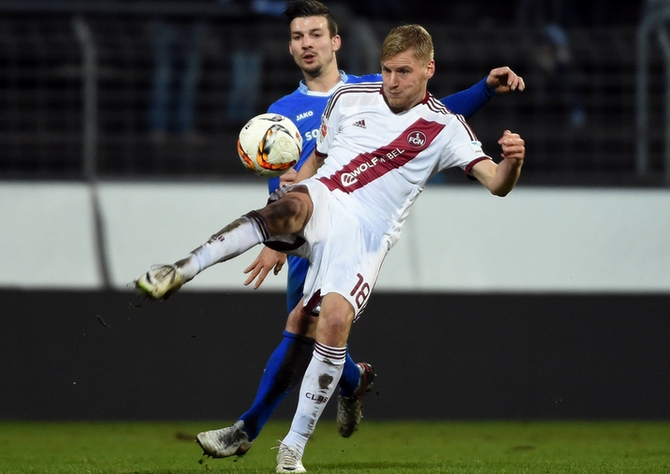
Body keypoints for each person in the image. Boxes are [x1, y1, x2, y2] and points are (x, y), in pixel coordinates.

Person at [141, 0, 526, 462]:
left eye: (315, 35)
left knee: (324, 325)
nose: (308, 44)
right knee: (299, 328)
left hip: (360, 234)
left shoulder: (368, 89)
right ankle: (186, 277)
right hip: (315, 206)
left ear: (334, 41)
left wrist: (487, 99)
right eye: (298, 37)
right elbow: (300, 169)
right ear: (289, 46)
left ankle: (313, 417)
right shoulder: (289, 109)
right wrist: (278, 232)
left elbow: (439, 115)